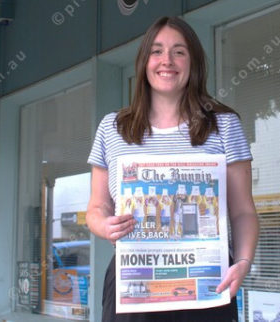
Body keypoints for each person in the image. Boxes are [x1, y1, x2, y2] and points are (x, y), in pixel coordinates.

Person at [86, 16, 259, 321]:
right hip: (133, 286)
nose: (167, 60)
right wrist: (104, 225)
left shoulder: (224, 125)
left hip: (207, 282)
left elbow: (243, 211)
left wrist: (243, 261)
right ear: (144, 62)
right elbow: (97, 207)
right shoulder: (112, 128)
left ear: (194, 63)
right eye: (157, 51)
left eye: (179, 51)